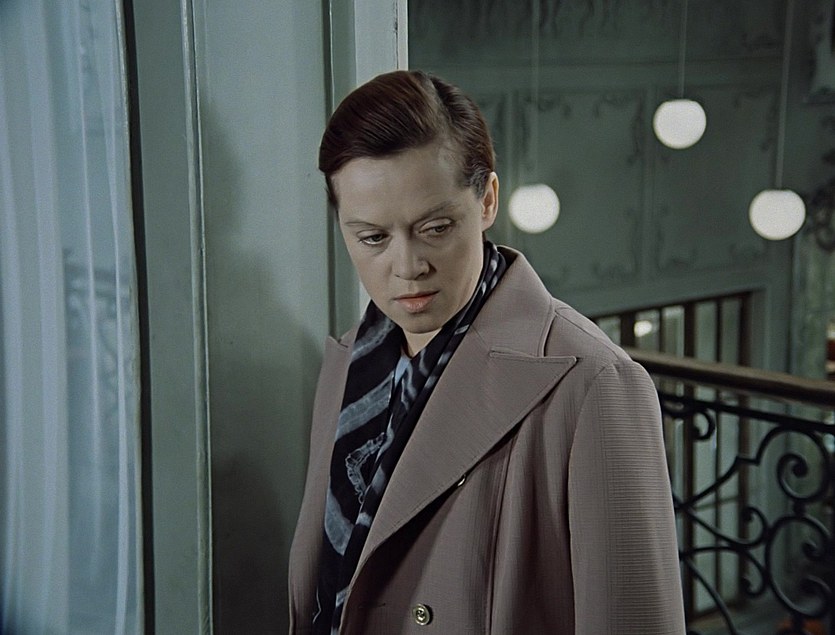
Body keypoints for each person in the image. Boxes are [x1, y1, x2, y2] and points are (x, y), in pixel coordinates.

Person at [288, 69, 685, 634]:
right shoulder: (347, 365)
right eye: (372, 237)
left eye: (435, 227)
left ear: (488, 200)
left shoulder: (594, 384)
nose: (407, 267)